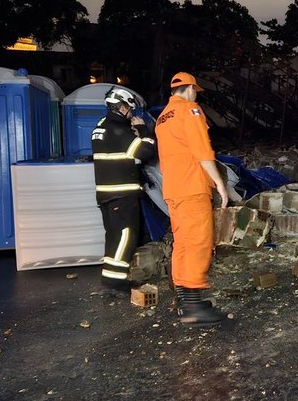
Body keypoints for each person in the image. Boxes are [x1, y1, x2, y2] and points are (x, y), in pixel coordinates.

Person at [155, 72, 229, 327]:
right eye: (195, 90)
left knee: (183, 243)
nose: (196, 94)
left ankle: (187, 302)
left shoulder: (162, 118)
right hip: (192, 187)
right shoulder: (190, 110)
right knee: (198, 242)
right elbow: (202, 150)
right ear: (190, 89)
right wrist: (219, 182)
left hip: (173, 189)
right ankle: (194, 306)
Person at [91, 86, 157, 291]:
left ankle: (109, 276)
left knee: (113, 236)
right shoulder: (118, 130)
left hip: (106, 193)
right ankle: (116, 281)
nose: (131, 113)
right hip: (122, 194)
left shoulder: (101, 126)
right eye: (130, 109)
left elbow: (123, 155)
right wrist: (144, 130)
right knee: (126, 236)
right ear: (121, 106)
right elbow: (146, 151)